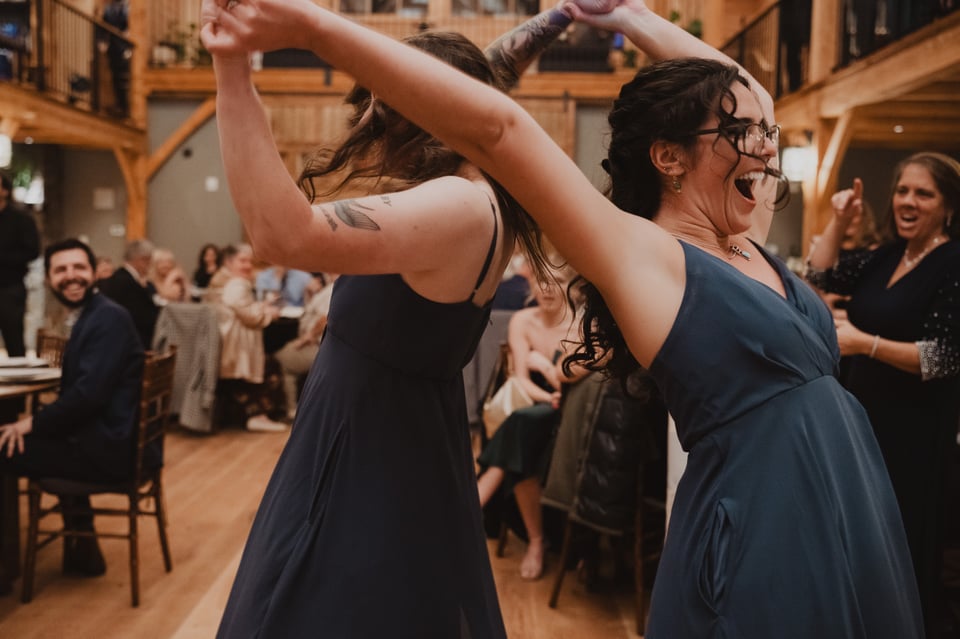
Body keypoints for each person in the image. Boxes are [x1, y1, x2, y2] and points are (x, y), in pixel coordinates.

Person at [199, 0, 925, 636]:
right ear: (670, 157)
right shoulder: (646, 254)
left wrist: (625, 16)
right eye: (736, 133)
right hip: (766, 514)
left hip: (849, 493)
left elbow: (755, 100)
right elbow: (499, 129)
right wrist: (304, 27)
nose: (763, 142)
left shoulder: (746, 239)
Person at [200, 5, 563, 635]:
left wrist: (231, 63)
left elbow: (279, 233)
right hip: (391, 436)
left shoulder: (457, 204)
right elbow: (477, 81)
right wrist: (560, 16)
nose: (370, 116)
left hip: (369, 458)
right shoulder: (480, 188)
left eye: (383, 99)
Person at [805, 152, 960, 636]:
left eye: (923, 193)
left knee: (900, 546)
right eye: (902, 190)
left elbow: (943, 358)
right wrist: (839, 218)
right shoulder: (890, 255)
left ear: (948, 206)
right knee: (857, 539)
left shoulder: (953, 263)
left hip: (912, 434)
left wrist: (863, 343)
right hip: (863, 423)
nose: (907, 202)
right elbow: (818, 277)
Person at [0, 238, 144, 577]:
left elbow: (86, 398)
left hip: (107, 449)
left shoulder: (107, 318)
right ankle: (83, 551)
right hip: (101, 439)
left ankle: (5, 569)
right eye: (60, 270)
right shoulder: (93, 314)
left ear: (94, 272)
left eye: (79, 267)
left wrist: (29, 424)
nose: (70, 276)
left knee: (4, 447)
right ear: (49, 279)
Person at [477, 264, 582, 580]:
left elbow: (571, 380)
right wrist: (547, 395)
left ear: (571, 287)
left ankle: (470, 505)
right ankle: (536, 541)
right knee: (522, 429)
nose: (548, 289)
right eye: (540, 281)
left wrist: (550, 372)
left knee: (520, 427)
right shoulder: (523, 320)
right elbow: (521, 378)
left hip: (570, 413)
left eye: (556, 281)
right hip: (537, 404)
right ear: (531, 285)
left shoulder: (580, 324)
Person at [207, 243, 287, 433]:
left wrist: (259, 306)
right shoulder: (236, 282)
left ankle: (254, 414)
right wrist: (267, 313)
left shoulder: (220, 279)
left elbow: (237, 307)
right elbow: (247, 315)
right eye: (243, 261)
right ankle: (258, 415)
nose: (248, 266)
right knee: (271, 364)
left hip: (220, 342)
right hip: (236, 343)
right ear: (229, 262)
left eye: (250, 261)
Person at [273, 273, 337, 421]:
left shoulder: (333, 289)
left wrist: (307, 337)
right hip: (320, 346)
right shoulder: (330, 289)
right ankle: (292, 409)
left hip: (318, 346)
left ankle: (291, 409)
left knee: (280, 358)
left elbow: (325, 318)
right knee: (287, 366)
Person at [0, 170, 40, 358]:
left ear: (4, 190)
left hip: (10, 287)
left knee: (14, 341)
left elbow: (33, 250)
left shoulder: (20, 219)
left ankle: (20, 384)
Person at [98, 238, 159, 349]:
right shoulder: (126, 282)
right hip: (130, 342)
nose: (150, 265)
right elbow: (142, 317)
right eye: (149, 261)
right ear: (142, 260)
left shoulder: (121, 277)